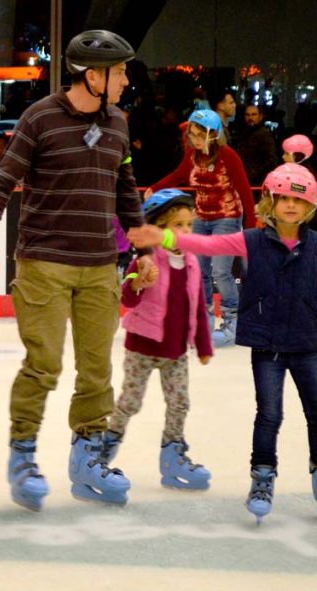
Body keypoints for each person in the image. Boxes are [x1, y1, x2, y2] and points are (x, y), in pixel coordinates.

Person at [0, 30, 144, 510]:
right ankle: (23, 453)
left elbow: (126, 190)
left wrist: (142, 250)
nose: (125, 79)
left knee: (97, 370)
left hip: (98, 267)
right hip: (44, 262)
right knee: (44, 364)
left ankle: (87, 456)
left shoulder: (118, 124)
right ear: (93, 76)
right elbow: (5, 179)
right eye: (120, 71)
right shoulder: (40, 117)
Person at [128, 162, 317, 524]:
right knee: (269, 415)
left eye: (299, 199)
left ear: (309, 205)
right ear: (271, 202)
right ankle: (262, 477)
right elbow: (206, 243)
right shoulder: (251, 241)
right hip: (267, 345)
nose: (291, 206)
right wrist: (165, 238)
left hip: (308, 343)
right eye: (283, 199)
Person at [100, 189, 213, 491]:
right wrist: (138, 282)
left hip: (176, 350)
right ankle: (103, 450)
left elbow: (198, 307)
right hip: (143, 347)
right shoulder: (147, 260)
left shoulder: (191, 262)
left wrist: (203, 345)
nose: (186, 232)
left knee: (180, 403)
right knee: (129, 403)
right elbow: (127, 297)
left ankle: (173, 456)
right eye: (178, 225)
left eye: (189, 225)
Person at [148, 109, 255, 347]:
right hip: (201, 217)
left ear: (214, 135)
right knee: (200, 271)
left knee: (221, 272)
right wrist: (154, 187)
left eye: (199, 135)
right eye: (192, 135)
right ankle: (203, 323)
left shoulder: (228, 156)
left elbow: (245, 192)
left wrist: (249, 229)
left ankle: (232, 323)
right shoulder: (192, 156)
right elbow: (178, 176)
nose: (194, 139)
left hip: (226, 218)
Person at [237, 105, 279, 186]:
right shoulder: (244, 134)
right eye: (247, 115)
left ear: (260, 116)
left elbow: (271, 161)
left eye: (254, 114)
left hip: (257, 183)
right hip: (246, 180)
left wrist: (253, 175)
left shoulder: (264, 135)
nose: (250, 118)